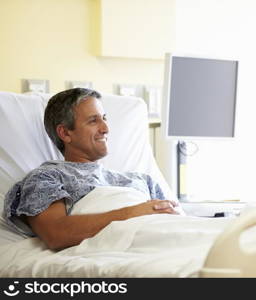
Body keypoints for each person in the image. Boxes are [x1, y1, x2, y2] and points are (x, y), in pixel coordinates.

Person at [3, 88, 182, 250]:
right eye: (93, 121)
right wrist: (132, 213)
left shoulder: (141, 180)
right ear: (65, 133)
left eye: (104, 118)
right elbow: (56, 233)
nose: (105, 128)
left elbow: (178, 222)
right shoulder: (46, 178)